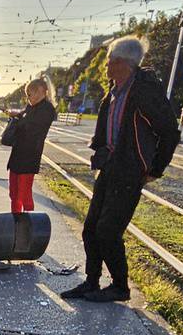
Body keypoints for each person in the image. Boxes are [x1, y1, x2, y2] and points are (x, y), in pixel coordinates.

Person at [65, 37, 174, 303]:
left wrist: (155, 168)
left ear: (122, 63)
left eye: (110, 60)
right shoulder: (113, 92)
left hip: (129, 170)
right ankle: (91, 282)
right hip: (110, 165)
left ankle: (120, 286)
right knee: (91, 228)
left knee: (108, 230)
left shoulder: (144, 92)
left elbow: (169, 131)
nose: (106, 65)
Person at [0, 77, 56, 252]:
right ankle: (16, 223)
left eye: (31, 94)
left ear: (42, 91)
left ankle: (31, 227)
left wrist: (18, 119)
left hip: (29, 157)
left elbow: (30, 126)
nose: (29, 98)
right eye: (28, 95)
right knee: (13, 193)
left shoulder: (46, 109)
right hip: (18, 155)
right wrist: (18, 116)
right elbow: (24, 121)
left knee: (25, 194)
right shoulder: (31, 107)